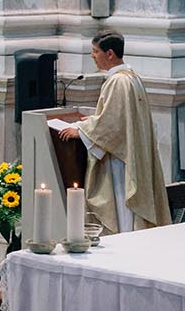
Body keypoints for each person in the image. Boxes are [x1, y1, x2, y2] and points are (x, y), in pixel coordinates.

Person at [56, 32, 172, 233]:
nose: (93, 56)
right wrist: (91, 122)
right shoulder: (131, 77)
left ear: (110, 53)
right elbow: (119, 118)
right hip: (128, 152)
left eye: (95, 51)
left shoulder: (118, 82)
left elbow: (112, 126)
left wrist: (81, 132)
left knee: (122, 211)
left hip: (120, 160)